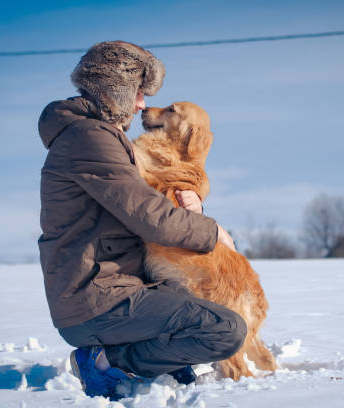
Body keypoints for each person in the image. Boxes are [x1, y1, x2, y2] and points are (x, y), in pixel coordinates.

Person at [37, 41, 246, 398]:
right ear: (112, 92)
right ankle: (106, 361)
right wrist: (213, 233)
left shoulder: (97, 136)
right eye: (137, 93)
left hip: (116, 287)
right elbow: (149, 216)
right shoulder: (89, 138)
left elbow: (147, 197)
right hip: (97, 300)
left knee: (203, 304)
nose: (142, 105)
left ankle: (159, 359)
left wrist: (194, 198)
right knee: (226, 329)